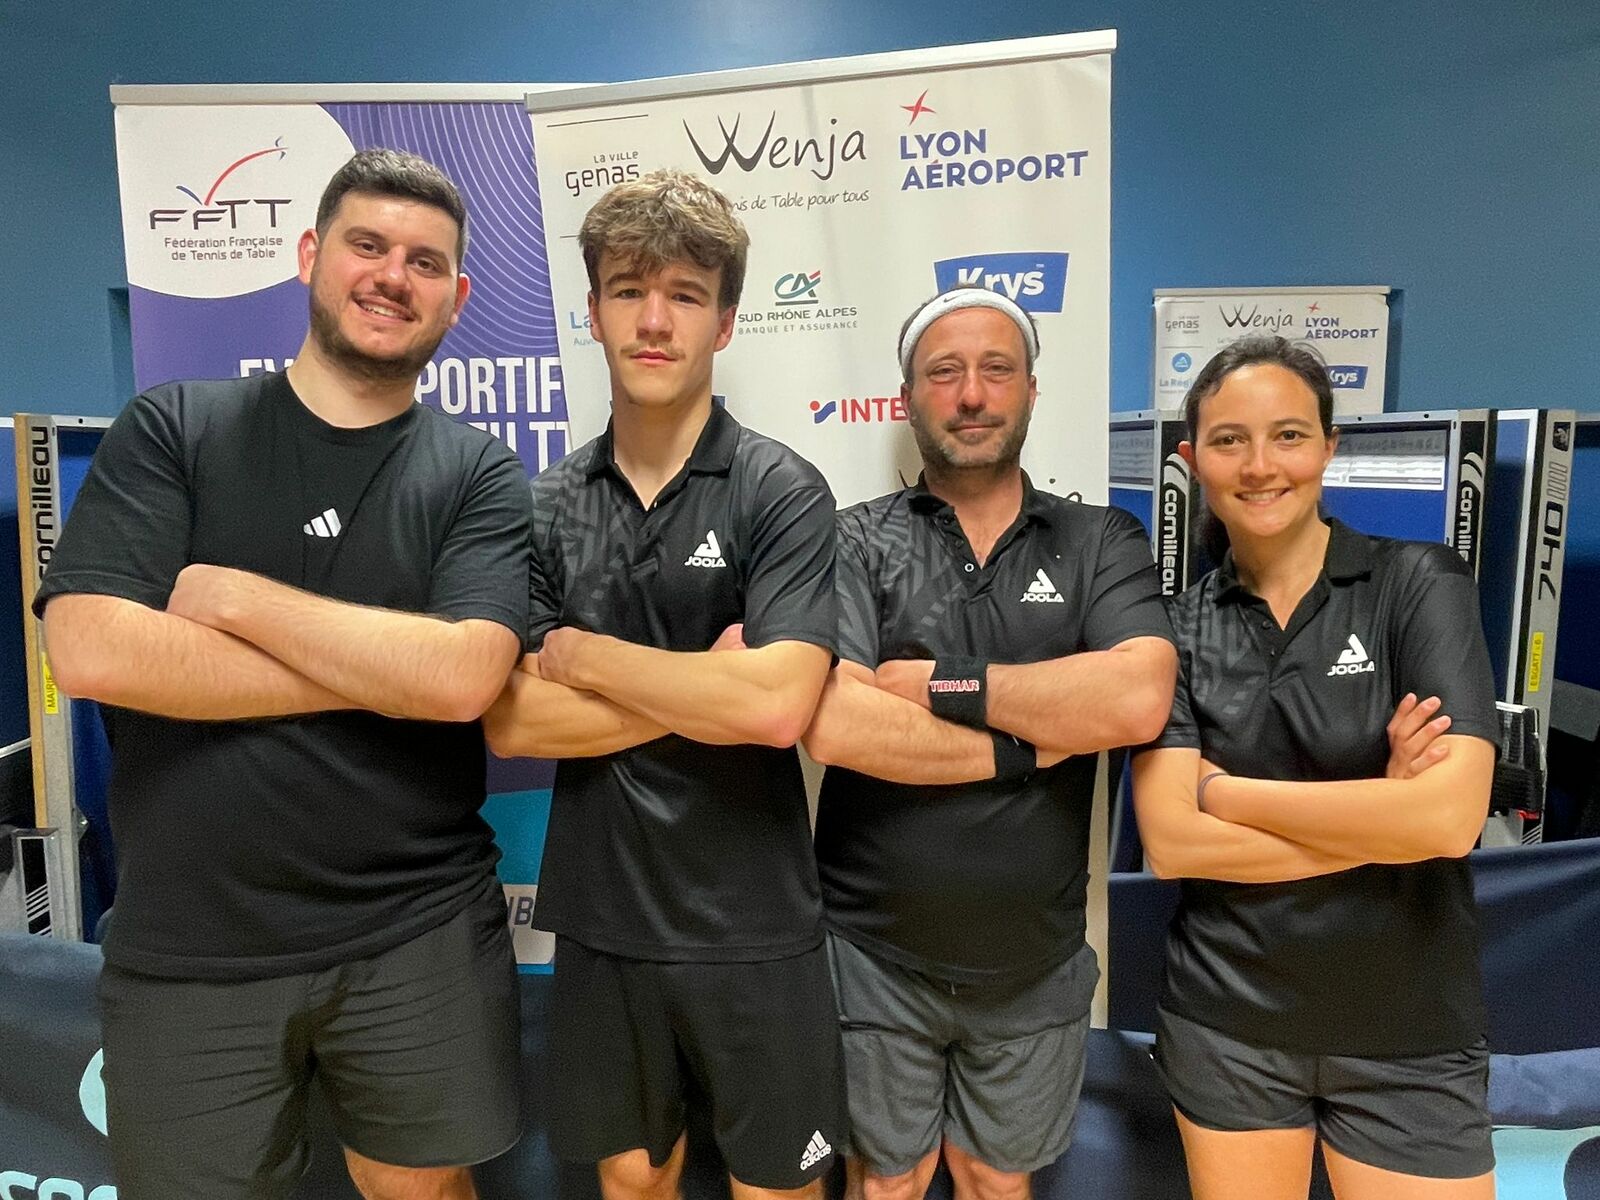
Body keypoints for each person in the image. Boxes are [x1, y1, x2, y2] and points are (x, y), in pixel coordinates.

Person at [38, 149, 531, 1200]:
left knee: (424, 1190)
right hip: (190, 945)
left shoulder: (476, 473)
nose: (392, 276)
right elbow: (90, 649)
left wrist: (236, 601)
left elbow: (464, 682)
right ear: (310, 255)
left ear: (457, 298)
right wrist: (389, 666)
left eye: (426, 262)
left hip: (418, 931)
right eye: (367, 245)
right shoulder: (175, 428)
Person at [482, 169, 845, 1200]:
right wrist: (705, 687)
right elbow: (512, 719)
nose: (654, 320)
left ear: (723, 322)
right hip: (604, 922)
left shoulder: (780, 489)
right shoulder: (544, 503)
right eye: (628, 290)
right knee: (634, 1182)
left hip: (755, 921)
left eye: (685, 294)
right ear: (593, 311)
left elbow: (776, 705)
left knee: (779, 1187)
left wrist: (585, 658)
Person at [800, 283, 1178, 1200]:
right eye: (945, 372)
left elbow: (1135, 697)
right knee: (885, 1184)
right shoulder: (852, 540)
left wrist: (943, 683)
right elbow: (838, 723)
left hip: (1035, 959)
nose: (971, 394)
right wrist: (1031, 741)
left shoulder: (1101, 539)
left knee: (995, 1185)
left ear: (1032, 390)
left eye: (996, 369)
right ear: (906, 399)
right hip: (871, 952)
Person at [1132, 335, 1500, 1200]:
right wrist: (1386, 814)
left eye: (1289, 435)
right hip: (1228, 1023)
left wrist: (1226, 792)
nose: (1261, 466)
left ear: (1329, 447)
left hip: (1409, 1033)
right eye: (1230, 440)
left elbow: (1450, 820)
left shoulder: (1419, 584)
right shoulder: (1172, 627)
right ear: (1192, 459)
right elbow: (1174, 843)